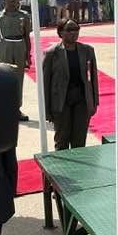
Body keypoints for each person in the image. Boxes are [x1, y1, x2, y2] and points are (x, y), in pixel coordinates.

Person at [42, 18, 99, 150]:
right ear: (60, 32)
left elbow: (93, 78)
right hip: (61, 102)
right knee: (61, 140)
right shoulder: (51, 53)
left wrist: (94, 101)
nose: (73, 33)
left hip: (82, 101)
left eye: (76, 29)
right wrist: (47, 110)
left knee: (79, 141)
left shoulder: (87, 50)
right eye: (69, 30)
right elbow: (46, 83)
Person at [0, 0, 31, 122]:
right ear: (4, 1)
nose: (13, 1)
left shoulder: (24, 16)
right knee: (4, 78)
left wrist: (28, 55)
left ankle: (16, 109)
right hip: (4, 46)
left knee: (18, 79)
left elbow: (26, 36)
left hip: (20, 46)